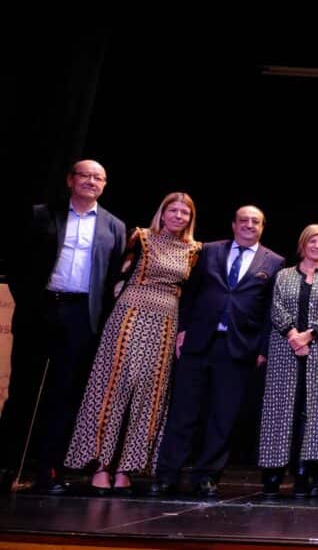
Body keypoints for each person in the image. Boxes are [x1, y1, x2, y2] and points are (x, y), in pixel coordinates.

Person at [0, 160, 127, 494]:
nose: (91, 181)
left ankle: (49, 470)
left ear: (105, 184)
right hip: (39, 310)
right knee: (22, 391)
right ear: (70, 179)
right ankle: (7, 466)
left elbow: (113, 278)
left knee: (64, 395)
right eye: (84, 175)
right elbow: (15, 262)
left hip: (80, 317)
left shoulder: (114, 226)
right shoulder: (41, 215)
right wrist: (29, 301)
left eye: (98, 177)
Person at [64, 192, 200, 494]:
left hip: (166, 320)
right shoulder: (141, 238)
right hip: (130, 314)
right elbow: (115, 273)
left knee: (150, 394)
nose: (178, 216)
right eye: (173, 210)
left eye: (185, 213)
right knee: (114, 387)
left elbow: (192, 293)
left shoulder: (193, 250)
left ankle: (128, 466)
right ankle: (100, 464)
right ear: (162, 213)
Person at [152, 205, 285, 497]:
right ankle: (167, 475)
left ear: (263, 227)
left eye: (256, 221)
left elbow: (270, 312)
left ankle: (207, 477)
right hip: (199, 342)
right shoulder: (210, 250)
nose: (249, 225)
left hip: (238, 348)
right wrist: (182, 329)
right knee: (183, 412)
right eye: (244, 220)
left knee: (222, 416)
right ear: (234, 224)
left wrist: (263, 348)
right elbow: (189, 293)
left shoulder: (274, 262)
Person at [257, 224, 318, 497]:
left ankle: (305, 473)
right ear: (303, 244)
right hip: (284, 348)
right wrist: (293, 335)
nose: (317, 247)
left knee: (314, 413)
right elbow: (276, 307)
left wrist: (308, 336)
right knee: (278, 410)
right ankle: (272, 474)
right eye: (313, 242)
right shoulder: (283, 275)